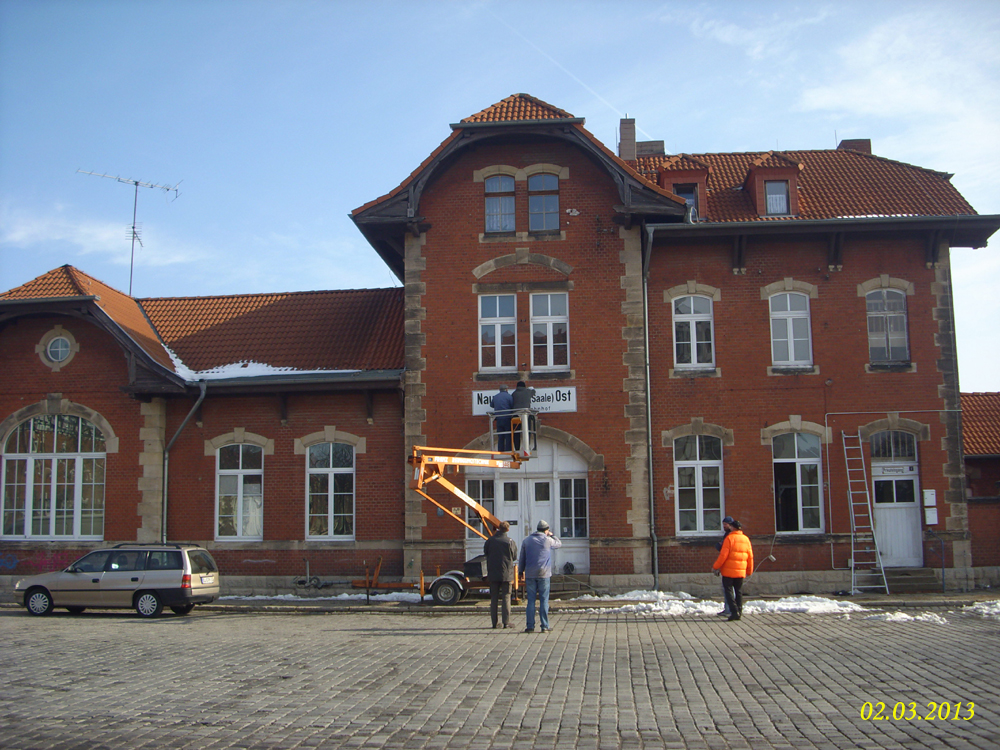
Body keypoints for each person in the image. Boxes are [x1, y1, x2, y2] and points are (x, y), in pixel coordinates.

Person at [518, 519, 562, 632]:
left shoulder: (527, 540)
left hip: (530, 573)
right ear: (546, 530)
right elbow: (559, 544)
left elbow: (522, 557)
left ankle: (530, 626)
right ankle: (544, 626)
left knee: (531, 601)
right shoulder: (547, 540)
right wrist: (553, 535)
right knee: (544, 600)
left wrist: (520, 571)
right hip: (544, 574)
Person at [712, 518, 753, 622]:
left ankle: (734, 611)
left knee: (728, 591)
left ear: (732, 527)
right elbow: (750, 556)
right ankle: (739, 610)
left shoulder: (729, 539)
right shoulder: (746, 539)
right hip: (740, 570)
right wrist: (749, 570)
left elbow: (723, 555)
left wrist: (716, 566)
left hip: (728, 571)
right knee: (738, 591)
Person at [483, 521, 518, 629]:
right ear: (507, 530)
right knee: (506, 597)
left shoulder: (490, 541)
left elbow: (486, 553)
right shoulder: (510, 541)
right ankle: (506, 622)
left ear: (498, 528)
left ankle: (494, 623)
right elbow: (515, 556)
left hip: (493, 572)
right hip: (506, 573)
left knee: (494, 598)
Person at [715, 516, 735, 616]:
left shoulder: (730, 536)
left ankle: (729, 609)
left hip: (729, 565)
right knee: (731, 589)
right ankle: (731, 608)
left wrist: (716, 566)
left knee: (729, 589)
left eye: (725, 524)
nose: (724, 526)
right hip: (731, 565)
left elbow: (725, 552)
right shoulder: (729, 534)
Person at [510, 381, 536, 451]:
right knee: (527, 431)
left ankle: (517, 447)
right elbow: (533, 392)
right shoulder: (528, 392)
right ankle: (527, 446)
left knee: (516, 432)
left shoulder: (514, 394)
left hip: (516, 414)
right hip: (525, 414)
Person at [491, 384, 514, 451]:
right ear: (506, 389)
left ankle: (500, 450)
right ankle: (508, 450)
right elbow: (512, 405)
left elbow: (492, 405)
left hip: (498, 418)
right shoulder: (509, 396)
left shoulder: (495, 397)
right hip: (507, 418)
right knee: (508, 435)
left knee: (500, 436)